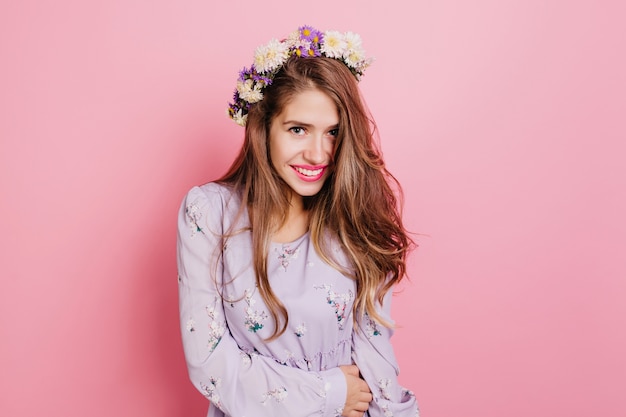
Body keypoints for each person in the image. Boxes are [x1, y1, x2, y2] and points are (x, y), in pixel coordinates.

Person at [177, 25, 419, 417]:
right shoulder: (209, 214)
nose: (318, 153)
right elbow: (210, 367)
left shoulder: (352, 221)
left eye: (333, 133)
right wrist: (328, 393)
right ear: (263, 129)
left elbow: (376, 366)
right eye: (298, 130)